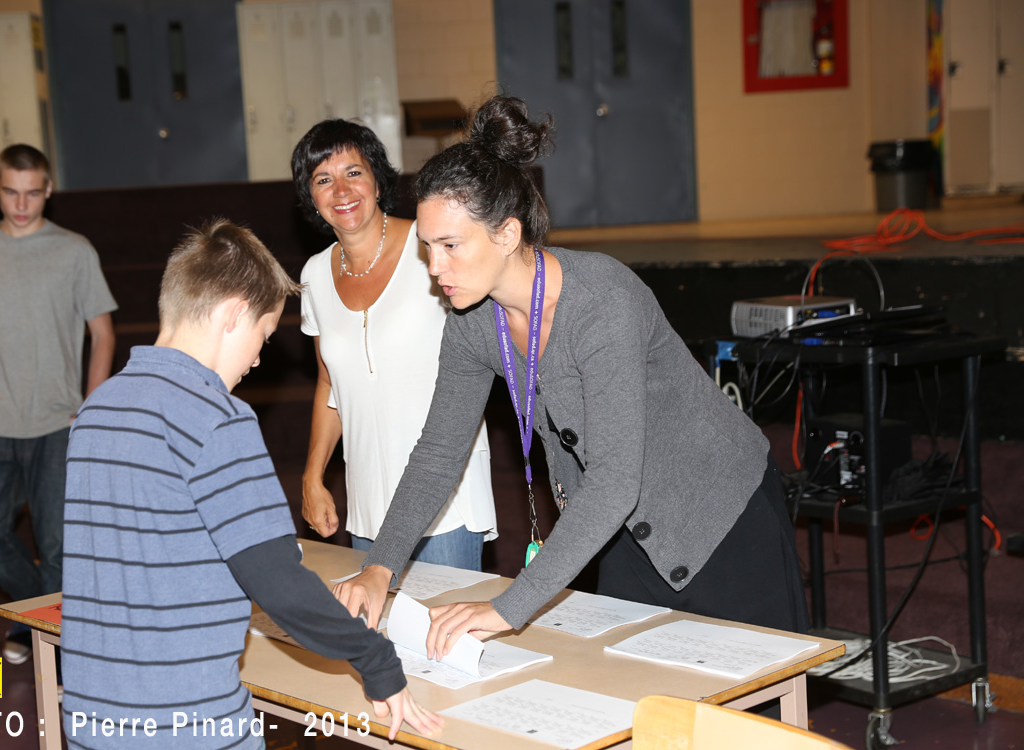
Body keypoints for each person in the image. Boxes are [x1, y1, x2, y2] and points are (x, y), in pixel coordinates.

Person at [333, 96, 809, 658]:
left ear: (507, 235)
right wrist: (380, 566)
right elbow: (439, 452)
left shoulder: (602, 302)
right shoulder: (470, 321)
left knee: (752, 713)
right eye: (428, 249)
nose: (435, 269)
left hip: (716, 513)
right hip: (618, 526)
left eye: (451, 246)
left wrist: (508, 607)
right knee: (642, 704)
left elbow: (613, 479)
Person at [60, 220, 442, 748]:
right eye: (262, 337)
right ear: (234, 313)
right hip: (188, 724)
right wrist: (376, 659)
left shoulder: (96, 410)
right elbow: (278, 582)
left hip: (91, 716)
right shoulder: (218, 418)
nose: (258, 359)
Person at [294, 120, 496, 569]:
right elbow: (329, 385)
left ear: (378, 179)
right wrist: (313, 475)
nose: (341, 190)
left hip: (445, 493)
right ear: (311, 197)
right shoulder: (313, 277)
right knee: (381, 635)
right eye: (323, 179)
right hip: (367, 499)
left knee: (444, 634)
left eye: (353, 172)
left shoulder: (428, 249)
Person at [0, 144, 117, 665]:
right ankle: (36, 618)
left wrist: (90, 407)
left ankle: (53, 645)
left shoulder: (74, 250)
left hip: (57, 420)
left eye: (32, 193)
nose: (21, 204)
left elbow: (103, 335)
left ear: (48, 190)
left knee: (60, 544)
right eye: (10, 193)